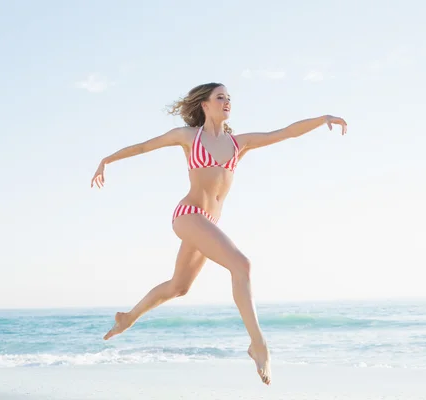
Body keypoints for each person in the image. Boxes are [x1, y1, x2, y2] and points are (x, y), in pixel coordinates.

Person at [90, 82, 347, 385]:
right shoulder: (189, 137)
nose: (226, 102)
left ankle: (128, 317)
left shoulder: (239, 143)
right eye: (220, 97)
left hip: (209, 222)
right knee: (242, 265)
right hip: (189, 216)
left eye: (229, 98)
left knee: (178, 287)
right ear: (205, 105)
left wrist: (322, 119)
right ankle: (258, 344)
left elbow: (285, 132)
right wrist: (107, 160)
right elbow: (146, 146)